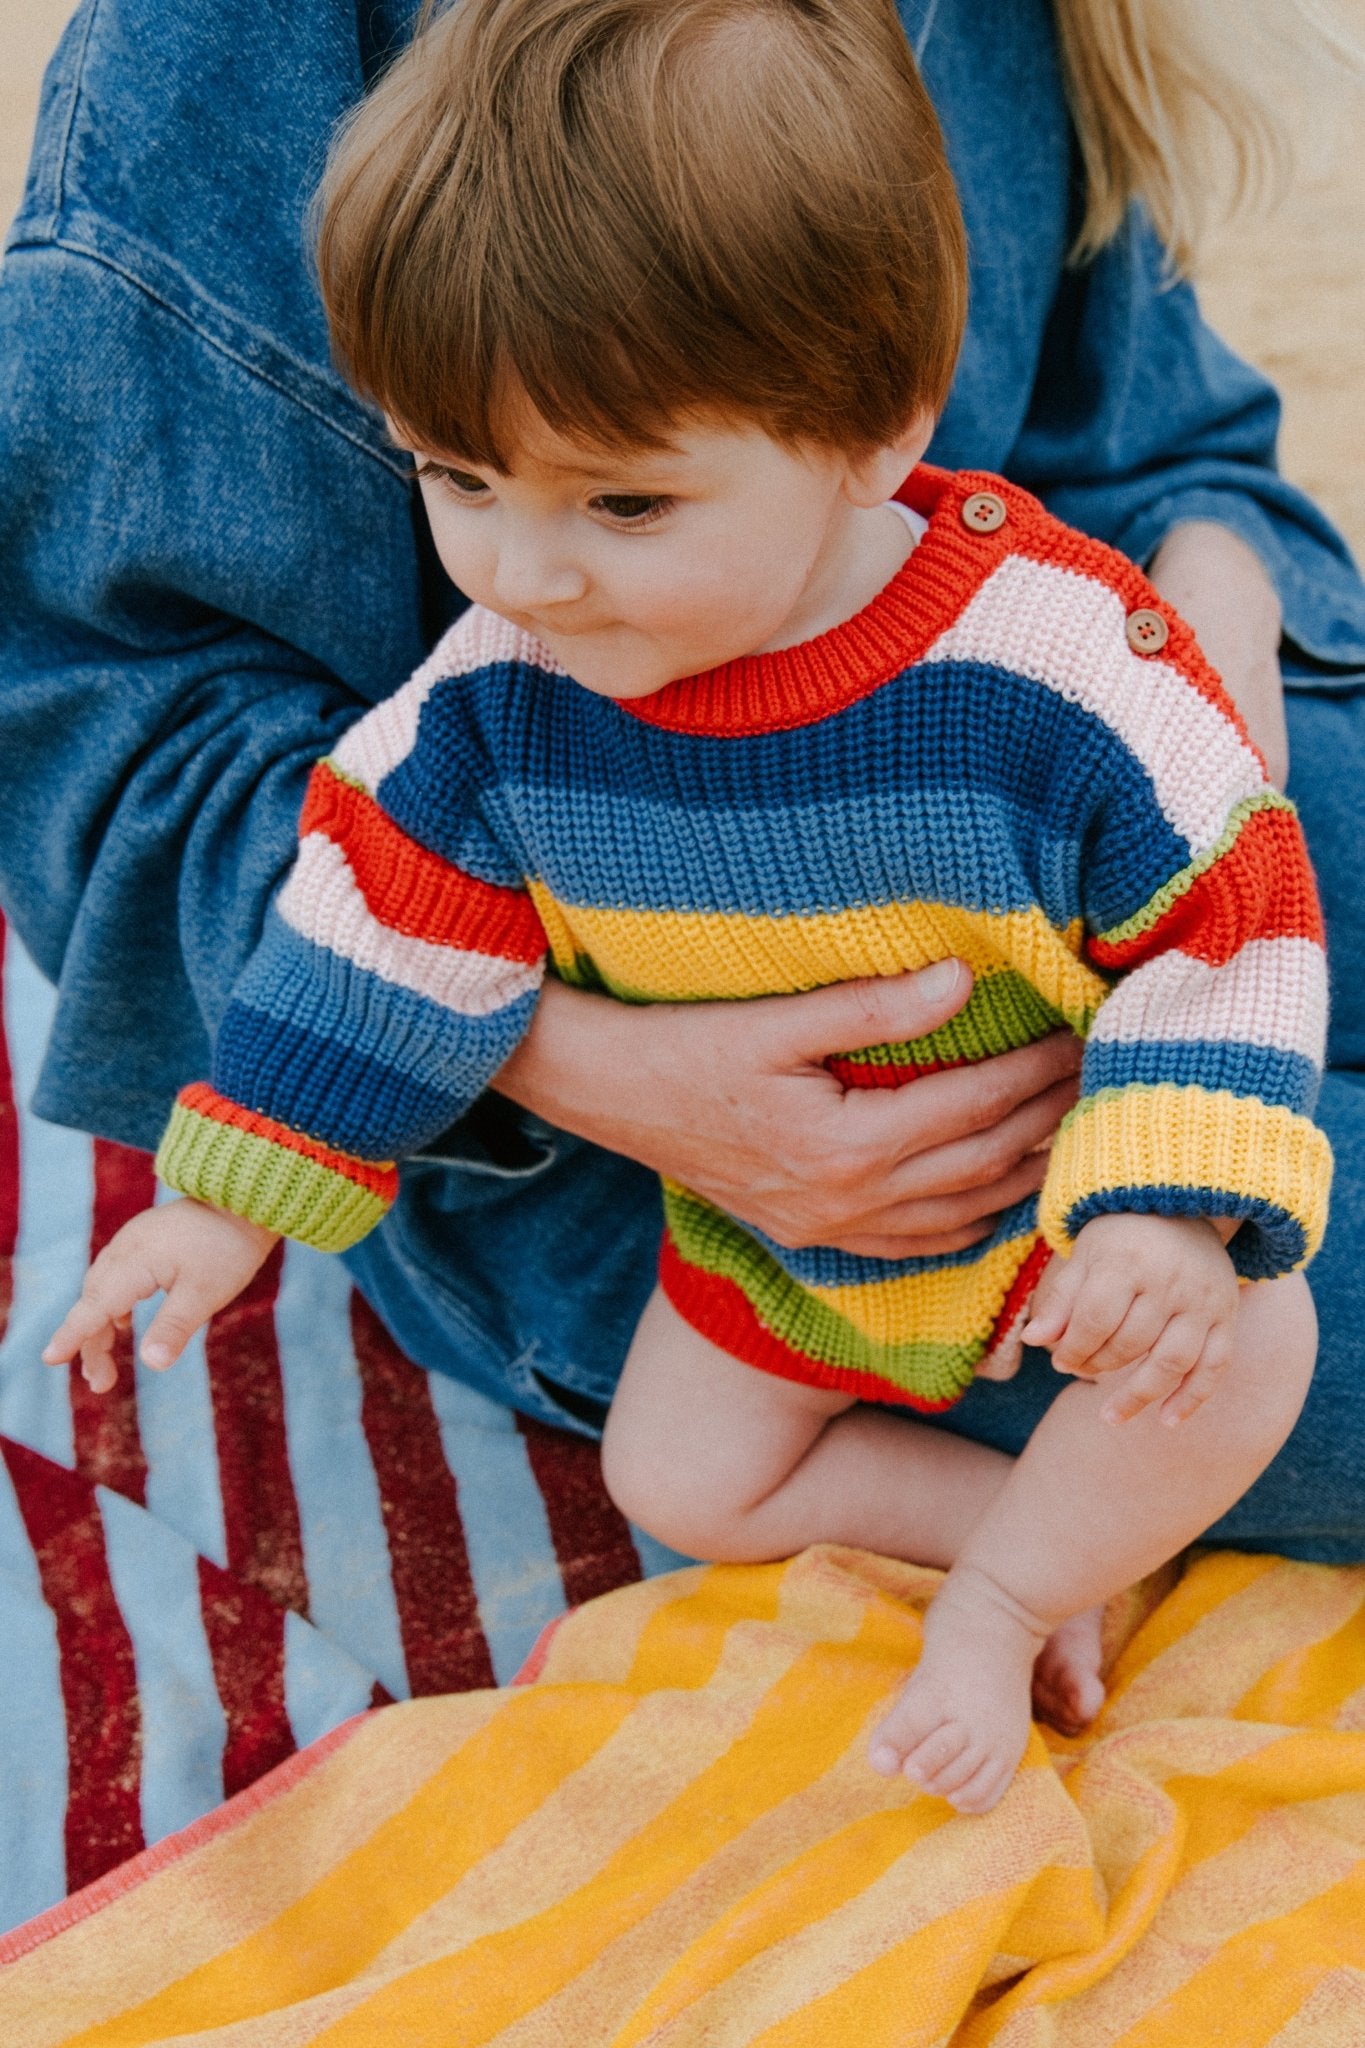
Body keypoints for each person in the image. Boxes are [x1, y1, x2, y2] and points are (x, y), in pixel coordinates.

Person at [45, 0, 1327, 1812]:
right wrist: (222, 1195)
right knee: (682, 1474)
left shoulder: (1037, 672)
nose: (525, 569)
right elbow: (370, 922)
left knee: (1239, 1319)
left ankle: (1018, 1573)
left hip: (1050, 1177)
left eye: (622, 502)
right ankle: (1020, 1555)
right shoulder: (500, 690)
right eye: (456, 477)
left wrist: (1171, 1215)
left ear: (879, 428)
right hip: (761, 1233)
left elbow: (1223, 920)